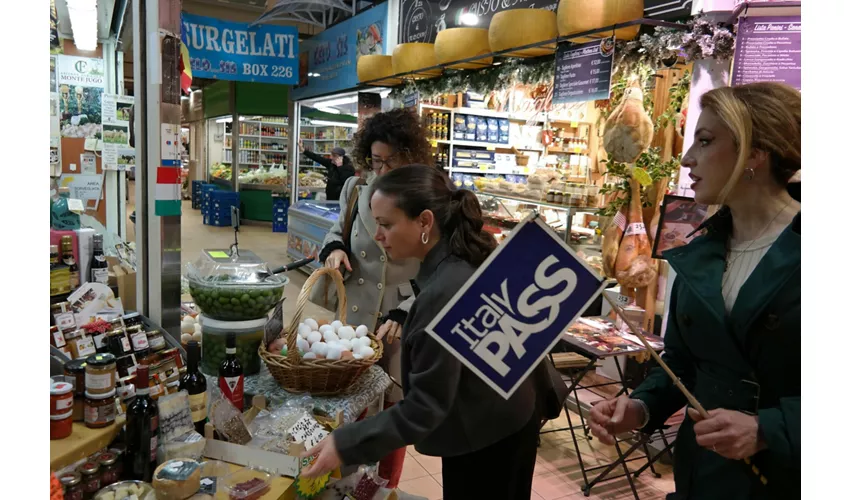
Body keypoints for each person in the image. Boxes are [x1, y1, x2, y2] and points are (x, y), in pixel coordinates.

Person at [588, 82, 801, 500]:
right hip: (702, 476)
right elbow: (683, 365)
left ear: (755, 153)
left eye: (705, 141)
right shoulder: (699, 253)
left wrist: (769, 429)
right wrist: (640, 407)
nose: (687, 159)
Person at [302, 165, 539, 499]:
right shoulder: (465, 259)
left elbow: (426, 405)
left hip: (487, 436)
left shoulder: (442, 292)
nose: (377, 235)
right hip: (509, 416)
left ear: (425, 222)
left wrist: (344, 443)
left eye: (386, 224)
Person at [310, 108, 433, 487]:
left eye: (392, 161)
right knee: (350, 397)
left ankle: (385, 486)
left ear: (411, 156)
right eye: (377, 160)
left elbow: (439, 269)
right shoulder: (355, 189)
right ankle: (343, 484)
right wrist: (334, 248)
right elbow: (338, 228)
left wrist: (408, 310)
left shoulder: (430, 198)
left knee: (393, 407)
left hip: (399, 318)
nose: (383, 170)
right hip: (355, 311)